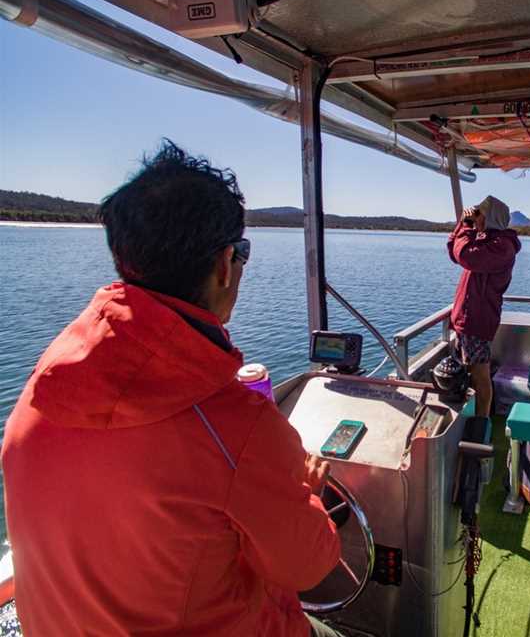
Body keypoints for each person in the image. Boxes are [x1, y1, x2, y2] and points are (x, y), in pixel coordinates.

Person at [1, 141, 343, 637]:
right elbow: (308, 566)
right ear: (225, 264)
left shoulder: (41, 389)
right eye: (242, 253)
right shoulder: (238, 428)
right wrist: (308, 495)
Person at [447, 195, 521, 417]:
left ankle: (481, 425)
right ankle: (473, 418)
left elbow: (466, 255)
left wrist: (467, 228)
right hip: (467, 318)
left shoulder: (501, 246)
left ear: (491, 217)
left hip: (477, 320)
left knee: (480, 375)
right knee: (472, 372)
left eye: (479, 214)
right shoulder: (486, 240)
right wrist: (464, 225)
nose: (475, 218)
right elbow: (454, 251)